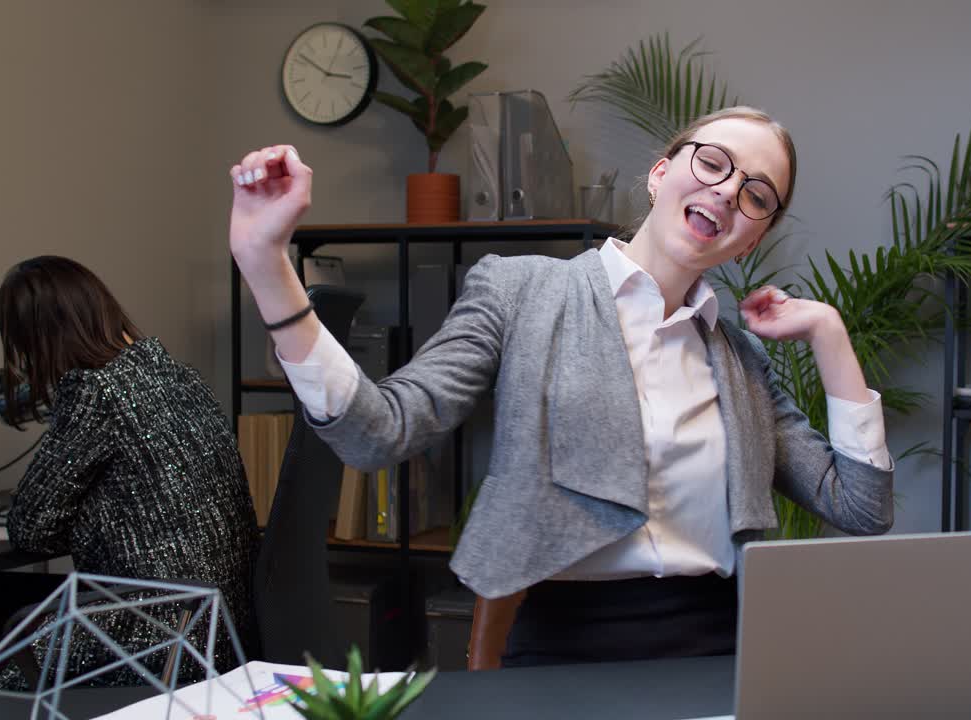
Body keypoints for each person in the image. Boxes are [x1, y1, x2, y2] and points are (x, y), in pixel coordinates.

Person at [228, 106, 893, 668]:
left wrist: (829, 334)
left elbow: (862, 507)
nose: (727, 191)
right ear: (662, 174)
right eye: (714, 163)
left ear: (753, 236)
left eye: (756, 194)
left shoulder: (740, 357)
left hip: (721, 648)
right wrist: (266, 267)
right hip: (565, 644)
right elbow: (378, 430)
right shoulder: (521, 292)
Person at [0, 256, 259, 685]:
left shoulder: (95, 391)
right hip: (224, 630)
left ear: (36, 340)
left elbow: (29, 527)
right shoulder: (180, 376)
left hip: (152, 634)